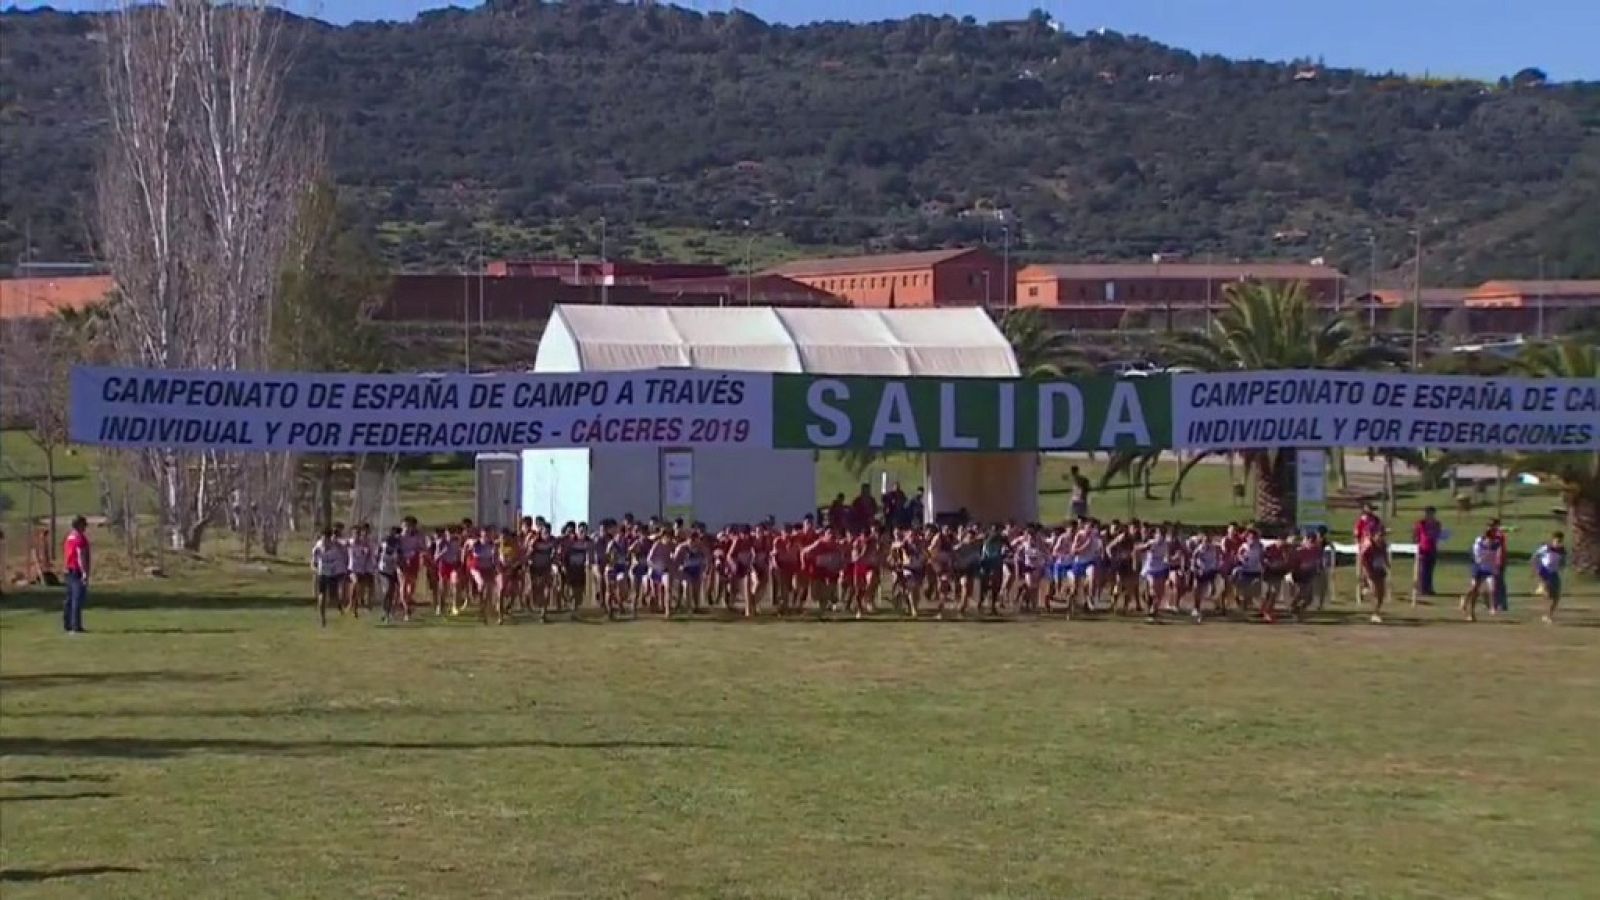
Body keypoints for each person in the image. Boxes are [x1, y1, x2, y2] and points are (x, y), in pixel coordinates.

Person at [1461, 524, 1502, 623]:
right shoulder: (1478, 543)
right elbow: (1477, 558)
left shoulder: (1496, 544)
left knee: (1492, 587)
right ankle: (1470, 610)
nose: (1491, 540)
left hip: (1489, 568)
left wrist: (1496, 565)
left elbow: (1497, 555)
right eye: (1490, 537)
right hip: (1478, 567)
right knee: (1474, 588)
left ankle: (1492, 607)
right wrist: (1484, 556)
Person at [62, 516, 91, 634]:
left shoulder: (69, 537)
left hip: (68, 570)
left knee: (69, 598)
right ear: (79, 525)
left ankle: (67, 623)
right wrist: (84, 572)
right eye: (84, 525)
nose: (85, 527)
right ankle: (75, 626)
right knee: (77, 599)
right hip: (76, 570)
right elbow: (80, 555)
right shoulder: (79, 538)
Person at [311, 528, 343, 628]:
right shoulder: (318, 547)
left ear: (330, 539)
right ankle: (322, 618)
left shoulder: (335, 548)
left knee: (333, 597)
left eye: (327, 538)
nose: (324, 540)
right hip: (322, 573)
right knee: (322, 595)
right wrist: (315, 568)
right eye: (323, 538)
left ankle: (338, 605)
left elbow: (338, 561)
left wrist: (337, 572)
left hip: (333, 574)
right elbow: (313, 561)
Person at [1531, 532, 1565, 624]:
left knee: (1556, 597)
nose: (1558, 543)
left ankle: (1548, 615)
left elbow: (1562, 561)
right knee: (1548, 595)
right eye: (1557, 541)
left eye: (1560, 541)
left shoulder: (1562, 550)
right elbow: (1535, 557)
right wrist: (1536, 569)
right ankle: (1542, 588)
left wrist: (1562, 564)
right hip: (1544, 572)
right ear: (1553, 540)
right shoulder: (1546, 548)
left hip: (1554, 573)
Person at [1412, 507, 1444, 598]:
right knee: (1422, 570)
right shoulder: (1421, 524)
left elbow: (1439, 534)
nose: (1431, 515)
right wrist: (1416, 545)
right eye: (1429, 513)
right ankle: (1422, 589)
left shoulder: (1437, 524)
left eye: (1432, 513)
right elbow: (1415, 535)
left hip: (1432, 549)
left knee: (1430, 570)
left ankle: (1429, 588)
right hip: (1422, 549)